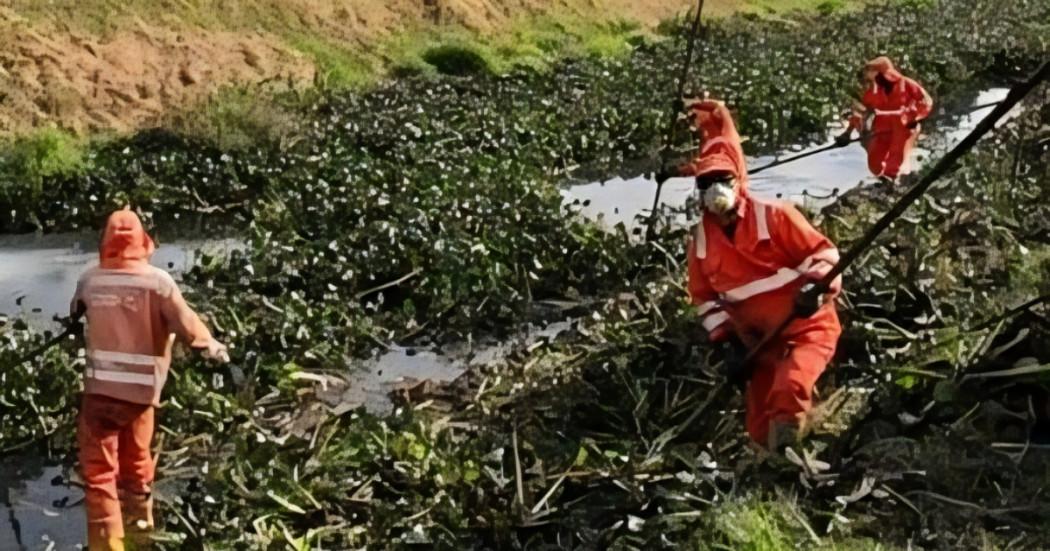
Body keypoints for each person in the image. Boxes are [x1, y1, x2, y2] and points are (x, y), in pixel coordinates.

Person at [665, 99, 843, 452]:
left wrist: (815, 289)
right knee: (759, 424)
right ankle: (783, 442)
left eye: (722, 180)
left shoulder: (775, 216)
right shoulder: (701, 243)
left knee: (789, 389)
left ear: (737, 182)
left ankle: (786, 461)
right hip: (759, 342)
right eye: (707, 183)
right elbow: (704, 298)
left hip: (806, 327)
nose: (716, 189)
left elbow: (824, 254)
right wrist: (727, 343)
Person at [71, 208, 229, 550]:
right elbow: (188, 326)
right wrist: (212, 347)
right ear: (143, 241)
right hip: (142, 396)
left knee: (99, 474)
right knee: (137, 463)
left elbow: (75, 315)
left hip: (100, 396)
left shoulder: (90, 279)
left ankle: (108, 545)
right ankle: (141, 532)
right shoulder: (158, 282)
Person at [835, 56, 933, 182]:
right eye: (873, 78)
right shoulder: (873, 93)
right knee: (875, 165)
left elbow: (926, 102)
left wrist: (911, 115)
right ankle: (884, 180)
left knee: (897, 160)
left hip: (903, 129)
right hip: (881, 132)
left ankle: (895, 179)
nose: (875, 80)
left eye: (878, 76)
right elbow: (861, 113)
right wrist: (847, 133)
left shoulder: (907, 84)